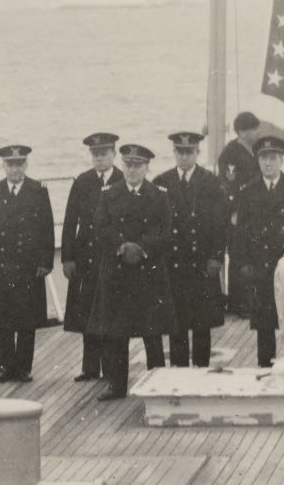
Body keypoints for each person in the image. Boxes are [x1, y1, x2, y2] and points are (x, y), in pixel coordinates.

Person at [87, 143, 177, 399]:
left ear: (147, 167)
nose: (132, 170)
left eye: (138, 165)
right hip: (118, 273)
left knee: (152, 332)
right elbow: (100, 227)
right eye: (128, 165)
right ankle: (117, 386)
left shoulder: (159, 196)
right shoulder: (108, 194)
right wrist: (121, 247)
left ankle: (158, 382)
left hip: (148, 273)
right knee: (117, 333)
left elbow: (165, 232)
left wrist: (142, 248)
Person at [232, 135, 284, 367]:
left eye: (273, 158)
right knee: (264, 326)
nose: (268, 163)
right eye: (263, 159)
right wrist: (244, 265)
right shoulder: (248, 192)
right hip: (260, 268)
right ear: (258, 161)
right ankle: (264, 368)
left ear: (281, 160)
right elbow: (240, 234)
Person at [0, 144, 55, 383]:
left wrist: (45, 262)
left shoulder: (38, 191)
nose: (15, 169)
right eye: (10, 164)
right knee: (2, 322)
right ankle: (4, 368)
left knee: (26, 321)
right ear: (4, 166)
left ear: (26, 165)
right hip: (2, 267)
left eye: (19, 164)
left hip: (28, 266)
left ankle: (23, 368)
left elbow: (47, 229)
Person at [154, 131, 228, 367]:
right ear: (174, 152)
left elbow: (220, 224)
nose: (184, 157)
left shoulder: (211, 182)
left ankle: (202, 370)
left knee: (202, 324)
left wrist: (217, 257)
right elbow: (156, 225)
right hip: (174, 264)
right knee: (177, 324)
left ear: (197, 153)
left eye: (189, 152)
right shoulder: (161, 183)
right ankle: (178, 371)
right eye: (180, 152)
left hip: (202, 263)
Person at [60, 132, 122, 381]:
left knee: (110, 312)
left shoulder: (122, 179)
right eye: (95, 155)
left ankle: (111, 367)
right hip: (86, 257)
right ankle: (90, 367)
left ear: (113, 154)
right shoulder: (82, 182)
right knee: (88, 312)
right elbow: (69, 221)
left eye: (104, 154)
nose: (99, 159)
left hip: (111, 256)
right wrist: (67, 258)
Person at [219, 111, 262, 315]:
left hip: (255, 211)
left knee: (253, 254)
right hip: (238, 212)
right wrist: (233, 211)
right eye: (252, 129)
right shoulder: (230, 153)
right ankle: (238, 303)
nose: (256, 132)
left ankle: (251, 300)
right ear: (241, 132)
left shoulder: (255, 150)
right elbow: (228, 184)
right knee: (238, 256)